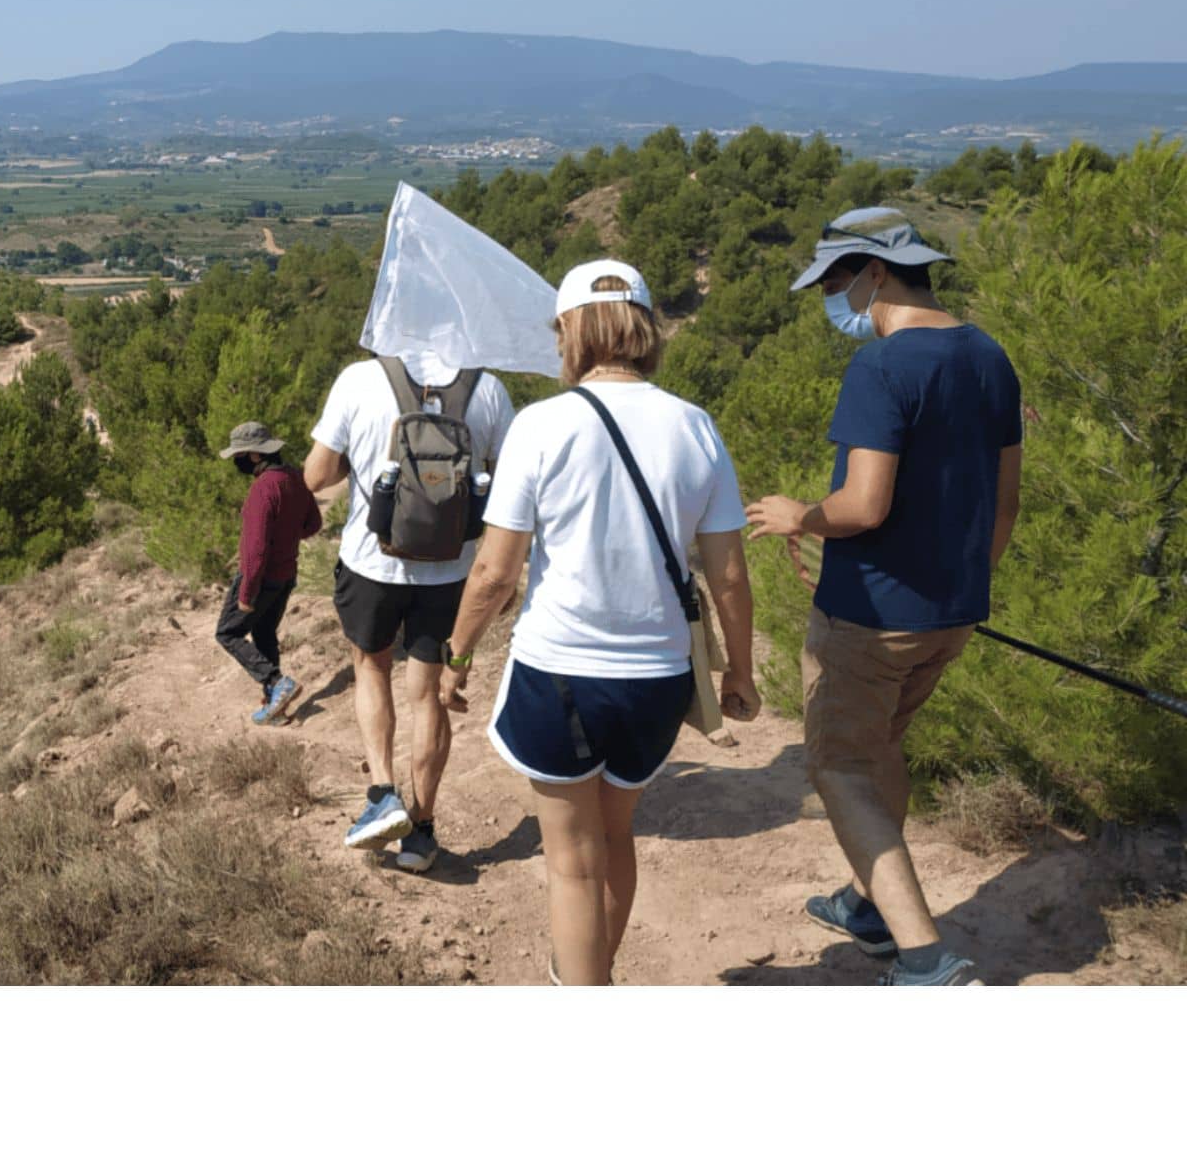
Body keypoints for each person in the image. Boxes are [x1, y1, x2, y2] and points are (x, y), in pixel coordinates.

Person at [443, 260, 758, 984]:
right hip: (657, 678)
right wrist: (738, 672)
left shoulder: (542, 425)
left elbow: (494, 573)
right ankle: (597, 977)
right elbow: (730, 575)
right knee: (617, 836)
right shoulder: (696, 426)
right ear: (644, 329)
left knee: (572, 867)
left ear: (574, 331)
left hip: (559, 673)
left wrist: (456, 657)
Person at [747, 206, 1022, 987]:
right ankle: (869, 906)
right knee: (880, 750)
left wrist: (800, 517)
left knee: (840, 769)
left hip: (871, 618)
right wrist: (959, 583)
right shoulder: (988, 356)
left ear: (873, 271)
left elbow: (864, 505)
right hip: (952, 615)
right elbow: (1005, 504)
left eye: (835, 281)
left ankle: (926, 958)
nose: (833, 300)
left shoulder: (883, 368)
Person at [304, 349, 514, 873]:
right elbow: (509, 484)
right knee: (428, 697)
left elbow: (316, 476)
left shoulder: (358, 379)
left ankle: (381, 794)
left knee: (371, 668)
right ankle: (420, 833)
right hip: (450, 570)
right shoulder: (487, 389)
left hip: (372, 562)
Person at [214, 421, 323, 725]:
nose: (236, 462)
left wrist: (247, 592)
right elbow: (313, 524)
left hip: (262, 578)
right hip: (287, 574)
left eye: (238, 455)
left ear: (253, 456)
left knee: (227, 632)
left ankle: (277, 683)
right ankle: (276, 707)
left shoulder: (263, 489)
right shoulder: (295, 478)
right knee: (263, 633)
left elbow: (255, 551)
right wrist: (287, 536)